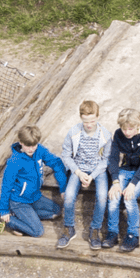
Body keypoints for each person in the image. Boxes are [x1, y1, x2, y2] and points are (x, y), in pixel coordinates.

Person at [0, 125, 69, 238]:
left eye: (34, 145)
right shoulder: (14, 161)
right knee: (37, 231)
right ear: (21, 142)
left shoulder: (39, 150)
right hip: (19, 201)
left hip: (35, 197)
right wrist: (3, 209)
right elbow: (6, 186)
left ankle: (23, 218)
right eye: (28, 146)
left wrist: (63, 188)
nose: (31, 149)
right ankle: (6, 219)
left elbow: (56, 163)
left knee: (57, 211)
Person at [57, 100, 112, 250]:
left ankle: (95, 230)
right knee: (68, 195)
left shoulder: (105, 134)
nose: (89, 124)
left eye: (92, 121)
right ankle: (69, 227)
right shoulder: (74, 132)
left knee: (102, 196)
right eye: (85, 121)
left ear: (98, 117)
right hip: (78, 168)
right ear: (81, 117)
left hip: (97, 171)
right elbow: (66, 155)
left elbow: (106, 159)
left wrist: (92, 176)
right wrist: (79, 173)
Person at [104, 108, 140, 252]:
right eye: (124, 128)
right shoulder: (119, 134)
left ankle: (133, 235)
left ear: (138, 126)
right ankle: (112, 232)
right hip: (125, 169)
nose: (127, 132)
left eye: (130, 129)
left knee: (129, 197)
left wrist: (133, 184)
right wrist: (115, 181)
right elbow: (113, 158)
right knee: (113, 196)